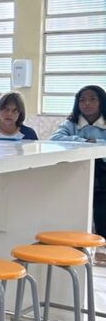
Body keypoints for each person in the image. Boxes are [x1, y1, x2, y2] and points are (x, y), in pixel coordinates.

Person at [51, 85, 106, 257]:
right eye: (82, 100)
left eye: (92, 99)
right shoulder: (71, 123)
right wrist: (84, 141)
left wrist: (94, 141)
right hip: (77, 171)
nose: (87, 103)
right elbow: (56, 139)